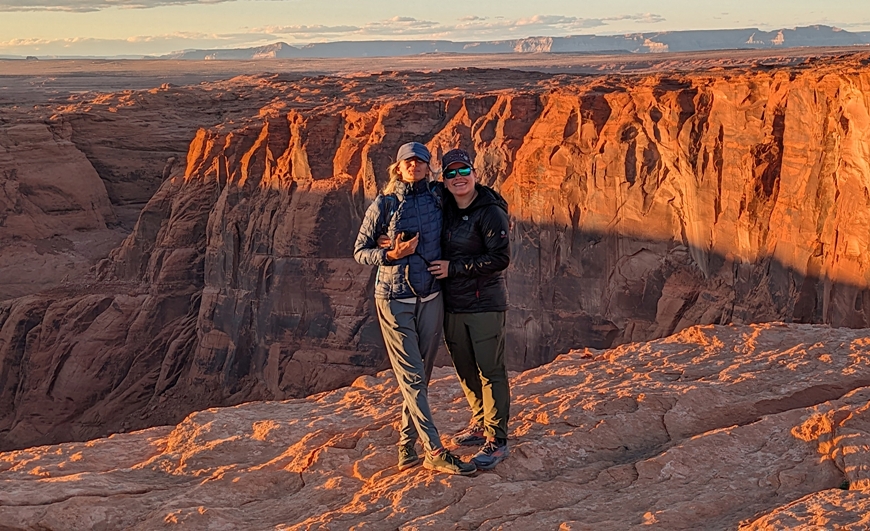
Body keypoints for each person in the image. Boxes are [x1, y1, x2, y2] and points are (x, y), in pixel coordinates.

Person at [353, 141, 476, 476]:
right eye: (409, 161)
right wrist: (391, 254)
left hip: (431, 296)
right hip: (394, 299)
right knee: (411, 376)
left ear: (427, 166)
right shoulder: (385, 204)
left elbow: (470, 202)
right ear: (398, 167)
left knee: (421, 376)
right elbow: (360, 251)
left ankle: (407, 447)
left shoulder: (438, 196)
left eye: (421, 161)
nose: (415, 166)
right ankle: (434, 450)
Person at [427, 148, 512, 471]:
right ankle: (480, 423)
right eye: (451, 173)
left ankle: (497, 439)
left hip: (485, 304)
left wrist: (455, 268)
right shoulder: (444, 208)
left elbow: (500, 258)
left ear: (475, 174)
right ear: (444, 179)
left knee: (490, 371)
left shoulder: (490, 211)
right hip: (453, 305)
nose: (458, 178)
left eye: (464, 171)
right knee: (464, 368)